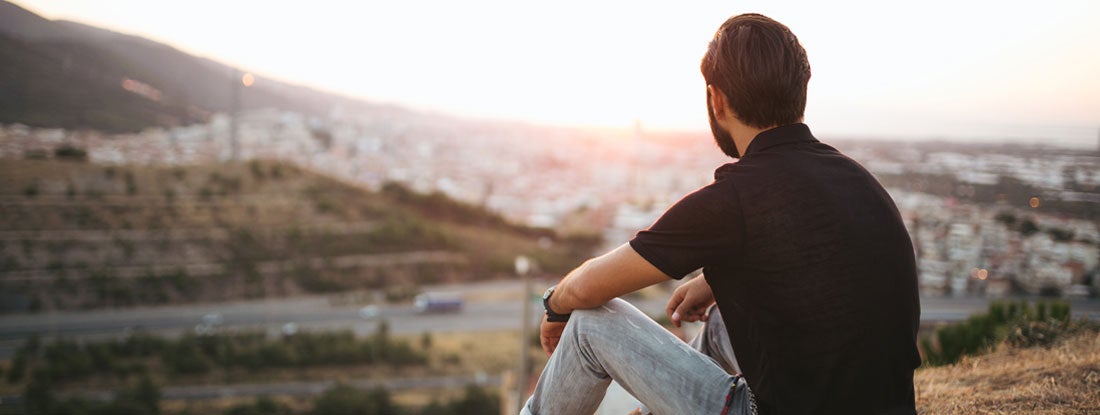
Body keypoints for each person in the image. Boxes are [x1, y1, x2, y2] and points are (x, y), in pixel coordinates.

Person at [521, 13, 921, 415]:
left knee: (592, 323)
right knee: (718, 323)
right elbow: (821, 257)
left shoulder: (733, 198)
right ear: (800, 92)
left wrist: (555, 304)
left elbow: (589, 288)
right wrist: (713, 281)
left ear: (717, 99)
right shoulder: (858, 180)